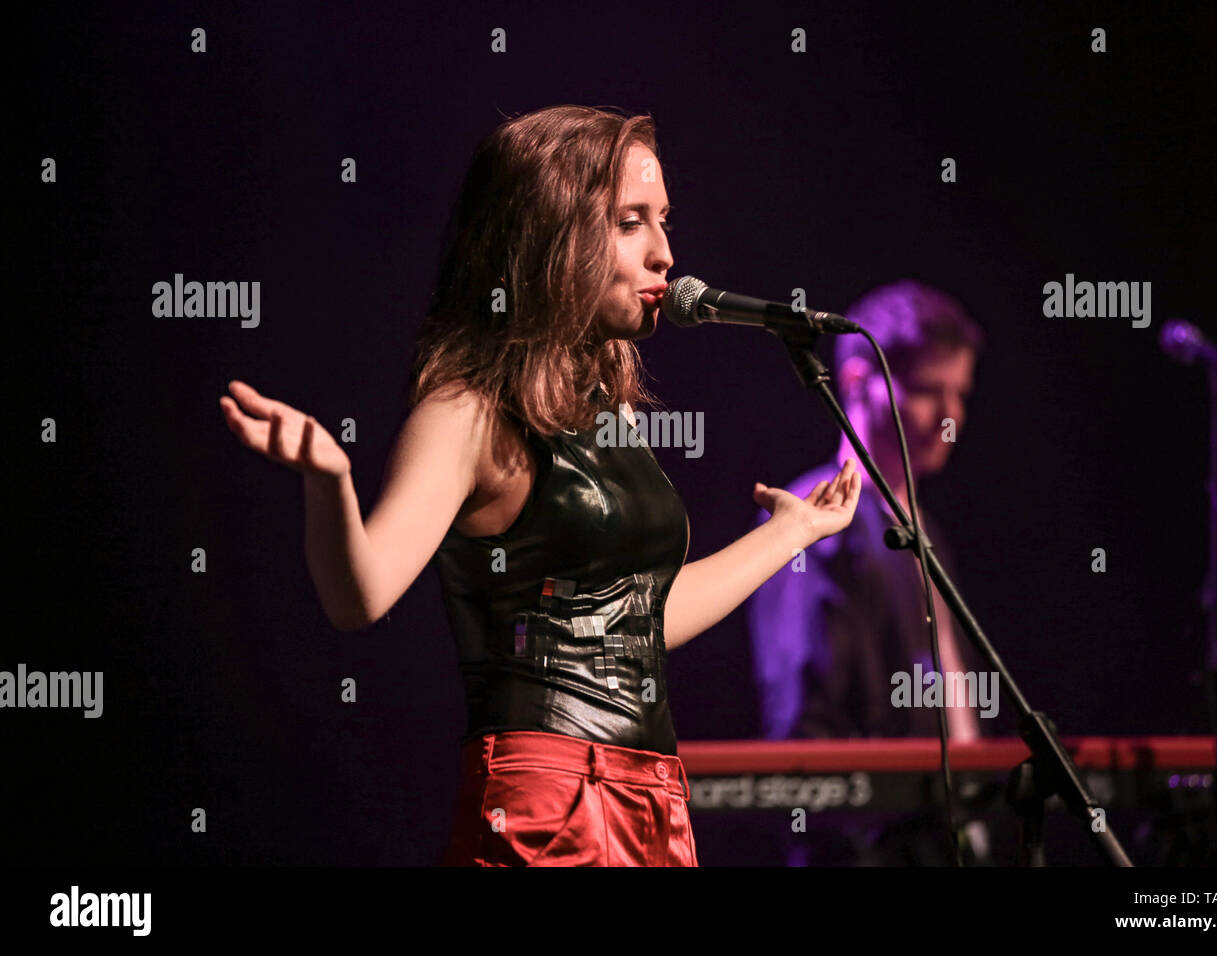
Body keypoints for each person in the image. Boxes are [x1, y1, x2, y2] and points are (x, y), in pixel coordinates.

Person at [219, 104, 862, 867]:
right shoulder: (467, 410)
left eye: (663, 220)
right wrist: (331, 484)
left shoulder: (606, 411)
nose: (666, 254)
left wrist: (788, 533)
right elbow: (361, 597)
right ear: (551, 236)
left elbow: (639, 621)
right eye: (630, 223)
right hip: (549, 802)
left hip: (653, 798)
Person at [747, 280, 1000, 864]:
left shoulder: (926, 530)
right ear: (859, 383)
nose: (950, 416)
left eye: (960, 393)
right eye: (928, 391)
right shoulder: (812, 522)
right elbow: (801, 736)